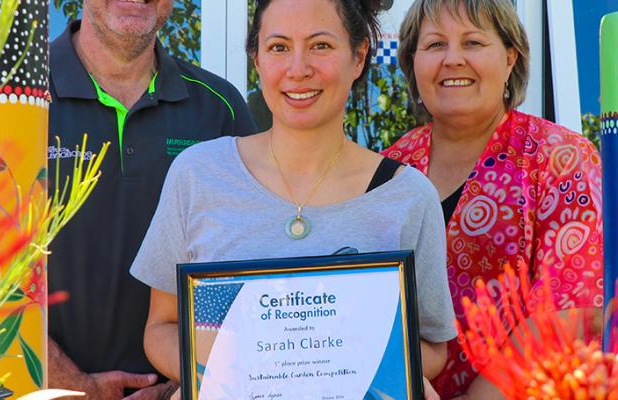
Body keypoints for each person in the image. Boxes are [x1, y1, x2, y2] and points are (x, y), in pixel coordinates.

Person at [127, 0, 455, 398]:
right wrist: (234, 375)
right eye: (279, 47)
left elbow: (434, 346)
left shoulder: (408, 196)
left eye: (320, 45)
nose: (298, 68)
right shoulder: (197, 175)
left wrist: (347, 370)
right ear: (257, 59)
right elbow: (160, 328)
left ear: (358, 57)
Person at [382, 0, 605, 398]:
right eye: (434, 45)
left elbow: (574, 312)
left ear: (509, 58)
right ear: (413, 65)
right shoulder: (390, 167)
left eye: (472, 42)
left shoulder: (560, 157)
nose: (452, 59)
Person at [46, 0, 258, 398]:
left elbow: (254, 272)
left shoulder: (221, 110)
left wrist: (182, 386)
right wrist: (70, 386)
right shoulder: (16, 98)